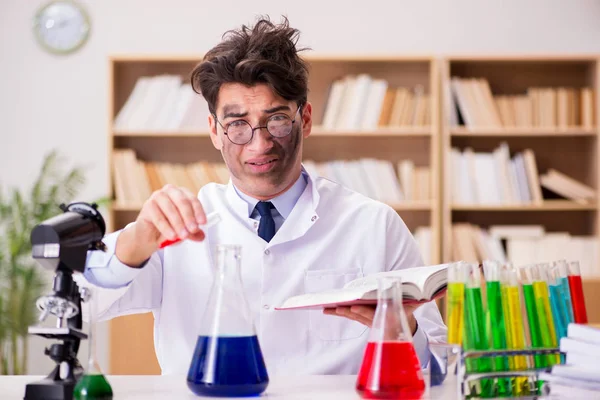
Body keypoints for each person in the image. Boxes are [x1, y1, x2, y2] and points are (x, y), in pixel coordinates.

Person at [84, 16, 447, 376]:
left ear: (304, 119)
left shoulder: (374, 225)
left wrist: (398, 331)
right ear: (214, 130)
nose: (260, 144)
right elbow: (79, 305)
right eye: (237, 124)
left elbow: (440, 368)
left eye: (276, 119)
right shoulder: (174, 228)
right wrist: (135, 242)